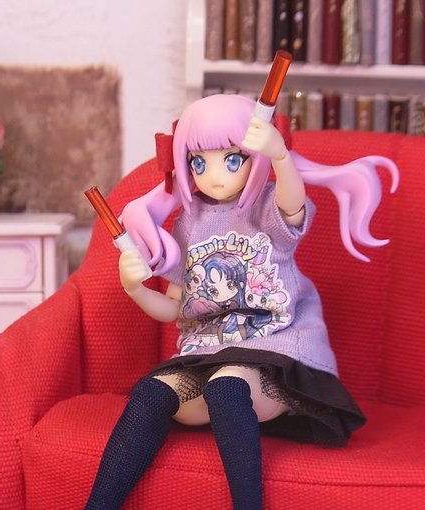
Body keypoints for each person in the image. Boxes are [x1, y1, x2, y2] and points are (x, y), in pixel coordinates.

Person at [84, 94, 399, 510]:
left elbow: (292, 204)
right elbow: (175, 309)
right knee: (151, 393)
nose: (214, 176)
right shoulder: (188, 223)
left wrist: (280, 156)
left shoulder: (266, 206)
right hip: (206, 350)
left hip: (273, 347)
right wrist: (137, 290)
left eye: (232, 159)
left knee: (227, 387)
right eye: (199, 163)